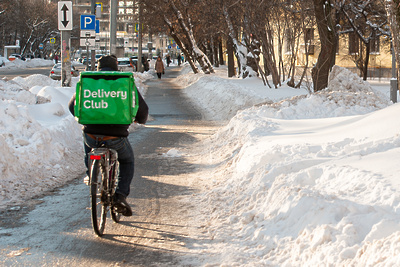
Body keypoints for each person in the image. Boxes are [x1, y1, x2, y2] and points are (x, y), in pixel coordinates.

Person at [68, 55, 149, 216]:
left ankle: (90, 172)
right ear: (115, 67)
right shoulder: (123, 81)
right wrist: (140, 119)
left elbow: (72, 106)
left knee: (89, 146)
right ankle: (120, 196)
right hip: (116, 136)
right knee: (127, 161)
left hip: (91, 133)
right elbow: (143, 109)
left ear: (98, 67)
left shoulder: (89, 81)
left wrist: (83, 119)